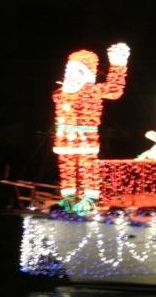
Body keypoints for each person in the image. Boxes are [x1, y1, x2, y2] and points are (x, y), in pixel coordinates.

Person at [53, 43, 130, 214]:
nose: (72, 77)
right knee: (67, 168)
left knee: (88, 167)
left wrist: (118, 64)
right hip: (64, 139)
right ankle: (68, 197)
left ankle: (90, 198)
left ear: (88, 74)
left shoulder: (92, 91)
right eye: (69, 72)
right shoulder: (60, 94)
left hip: (86, 139)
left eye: (78, 72)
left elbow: (114, 90)